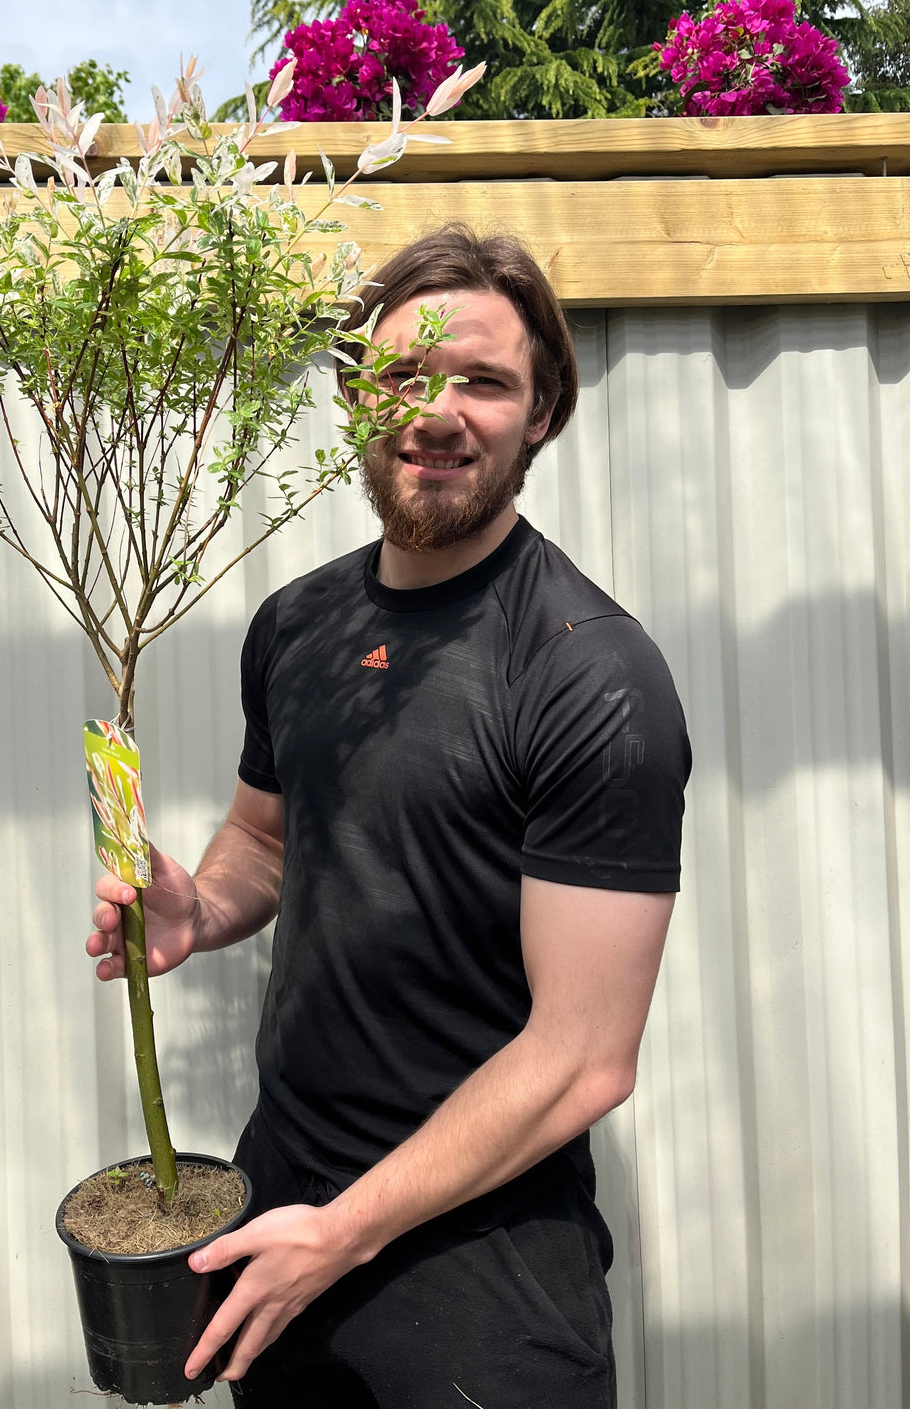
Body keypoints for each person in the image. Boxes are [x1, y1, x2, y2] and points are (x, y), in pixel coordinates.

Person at [87, 224, 692, 1409]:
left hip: (483, 1285)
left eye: (482, 380)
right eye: (402, 376)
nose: (436, 410)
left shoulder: (589, 672)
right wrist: (198, 909)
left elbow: (583, 1058)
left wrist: (344, 1230)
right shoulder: (298, 624)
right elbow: (265, 839)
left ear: (543, 413)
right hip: (285, 1228)